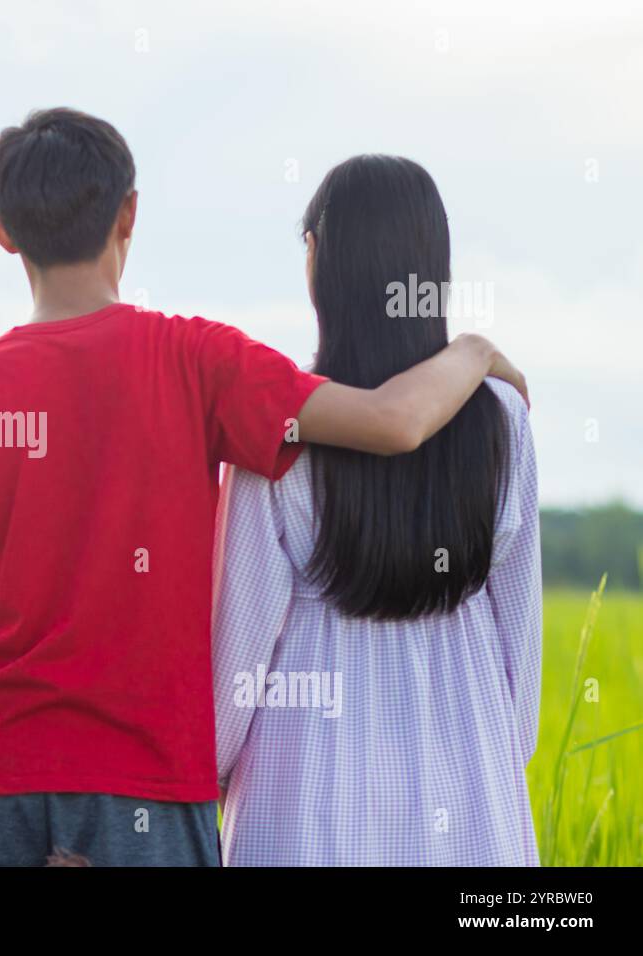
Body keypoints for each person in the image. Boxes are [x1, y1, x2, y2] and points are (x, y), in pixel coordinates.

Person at [0, 111, 527, 866]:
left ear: (0, 231)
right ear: (129, 214)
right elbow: (393, 420)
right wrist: (476, 350)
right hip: (143, 786)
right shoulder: (201, 362)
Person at [213, 155, 541, 866]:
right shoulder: (504, 417)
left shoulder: (279, 428)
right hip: (471, 777)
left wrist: (210, 773)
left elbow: (237, 662)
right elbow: (521, 647)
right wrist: (488, 760)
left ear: (317, 260)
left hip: (300, 787)